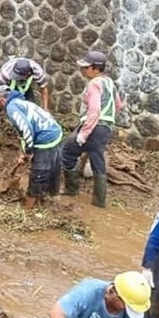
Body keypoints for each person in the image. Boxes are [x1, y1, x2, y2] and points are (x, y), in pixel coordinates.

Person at [61, 51, 123, 208]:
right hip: (106, 128)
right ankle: (99, 200)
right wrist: (107, 120)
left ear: (95, 68)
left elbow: (94, 111)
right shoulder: (109, 82)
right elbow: (118, 105)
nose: (83, 70)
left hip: (94, 126)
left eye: (86, 67)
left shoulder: (94, 84)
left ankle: (71, 189)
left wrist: (83, 133)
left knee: (67, 151)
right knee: (97, 159)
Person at [0, 85, 63, 209]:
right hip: (55, 130)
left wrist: (29, 150)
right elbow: (23, 134)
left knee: (39, 172)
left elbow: (26, 128)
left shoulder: (11, 108)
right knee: (52, 167)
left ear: (1, 100)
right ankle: (50, 197)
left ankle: (28, 207)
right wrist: (24, 152)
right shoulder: (21, 102)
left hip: (46, 137)